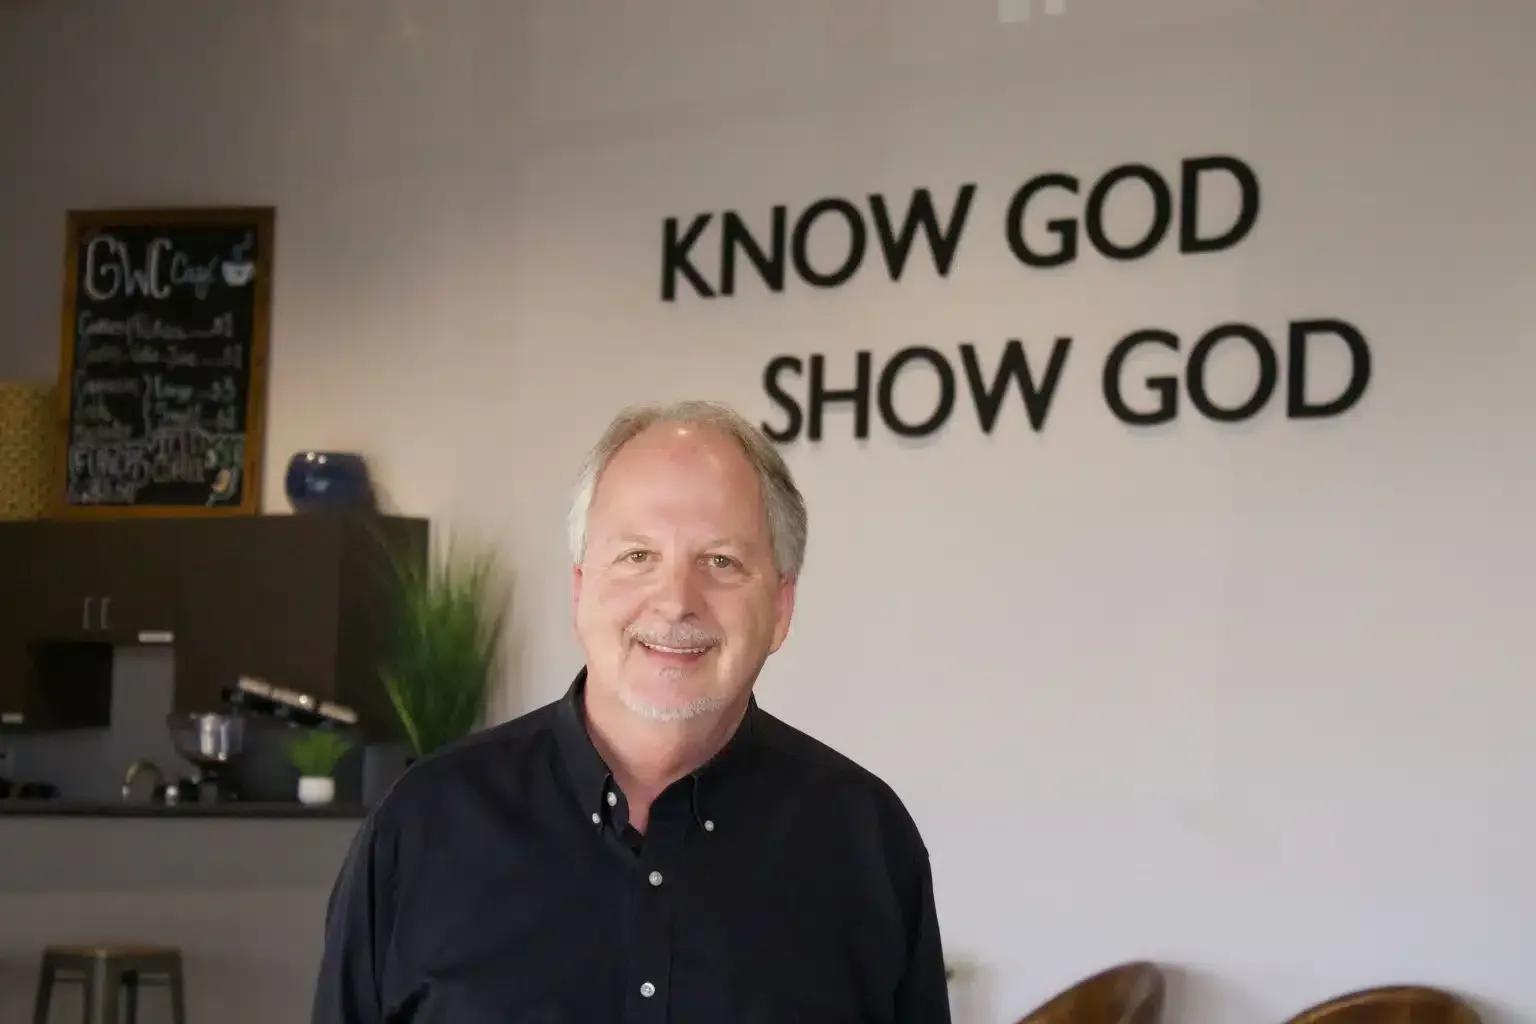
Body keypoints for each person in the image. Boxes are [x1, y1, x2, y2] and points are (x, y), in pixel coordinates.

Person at [311, 400, 951, 1023]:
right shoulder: (423, 824)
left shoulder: (866, 841)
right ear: (581, 587)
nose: (675, 601)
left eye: (721, 562)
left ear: (781, 608)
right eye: (637, 556)